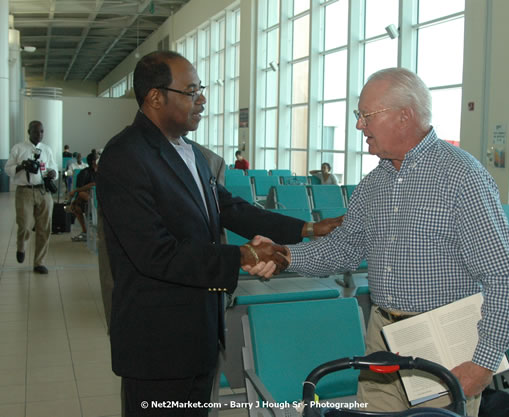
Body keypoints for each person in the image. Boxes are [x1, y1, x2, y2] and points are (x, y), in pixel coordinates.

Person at [249, 68, 509, 417]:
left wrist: (482, 364)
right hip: (382, 335)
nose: (358, 127)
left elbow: (505, 278)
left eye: (366, 116)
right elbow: (343, 248)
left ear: (404, 116)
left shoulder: (462, 178)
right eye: (358, 116)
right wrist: (285, 255)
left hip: (441, 340)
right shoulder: (375, 183)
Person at [97, 51, 341, 417]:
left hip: (198, 334)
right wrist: (243, 257)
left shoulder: (191, 153)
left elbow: (231, 209)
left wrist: (306, 228)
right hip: (157, 344)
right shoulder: (125, 157)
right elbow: (156, 254)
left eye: (201, 89)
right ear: (155, 97)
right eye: (191, 90)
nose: (202, 99)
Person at [4, 120, 58, 274]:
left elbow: (52, 166)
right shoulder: (19, 148)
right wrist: (22, 166)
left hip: (43, 191)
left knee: (44, 228)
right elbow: (7, 169)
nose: (39, 134)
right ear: (29, 132)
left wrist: (53, 173)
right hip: (24, 191)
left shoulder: (47, 150)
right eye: (36, 131)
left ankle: (39, 262)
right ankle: (21, 246)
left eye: (42, 131)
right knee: (25, 224)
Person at [68, 152, 99, 242]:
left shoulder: (103, 172)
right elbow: (80, 188)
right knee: (78, 202)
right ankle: (85, 231)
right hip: (88, 200)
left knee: (78, 201)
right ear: (93, 162)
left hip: (100, 198)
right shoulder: (84, 173)